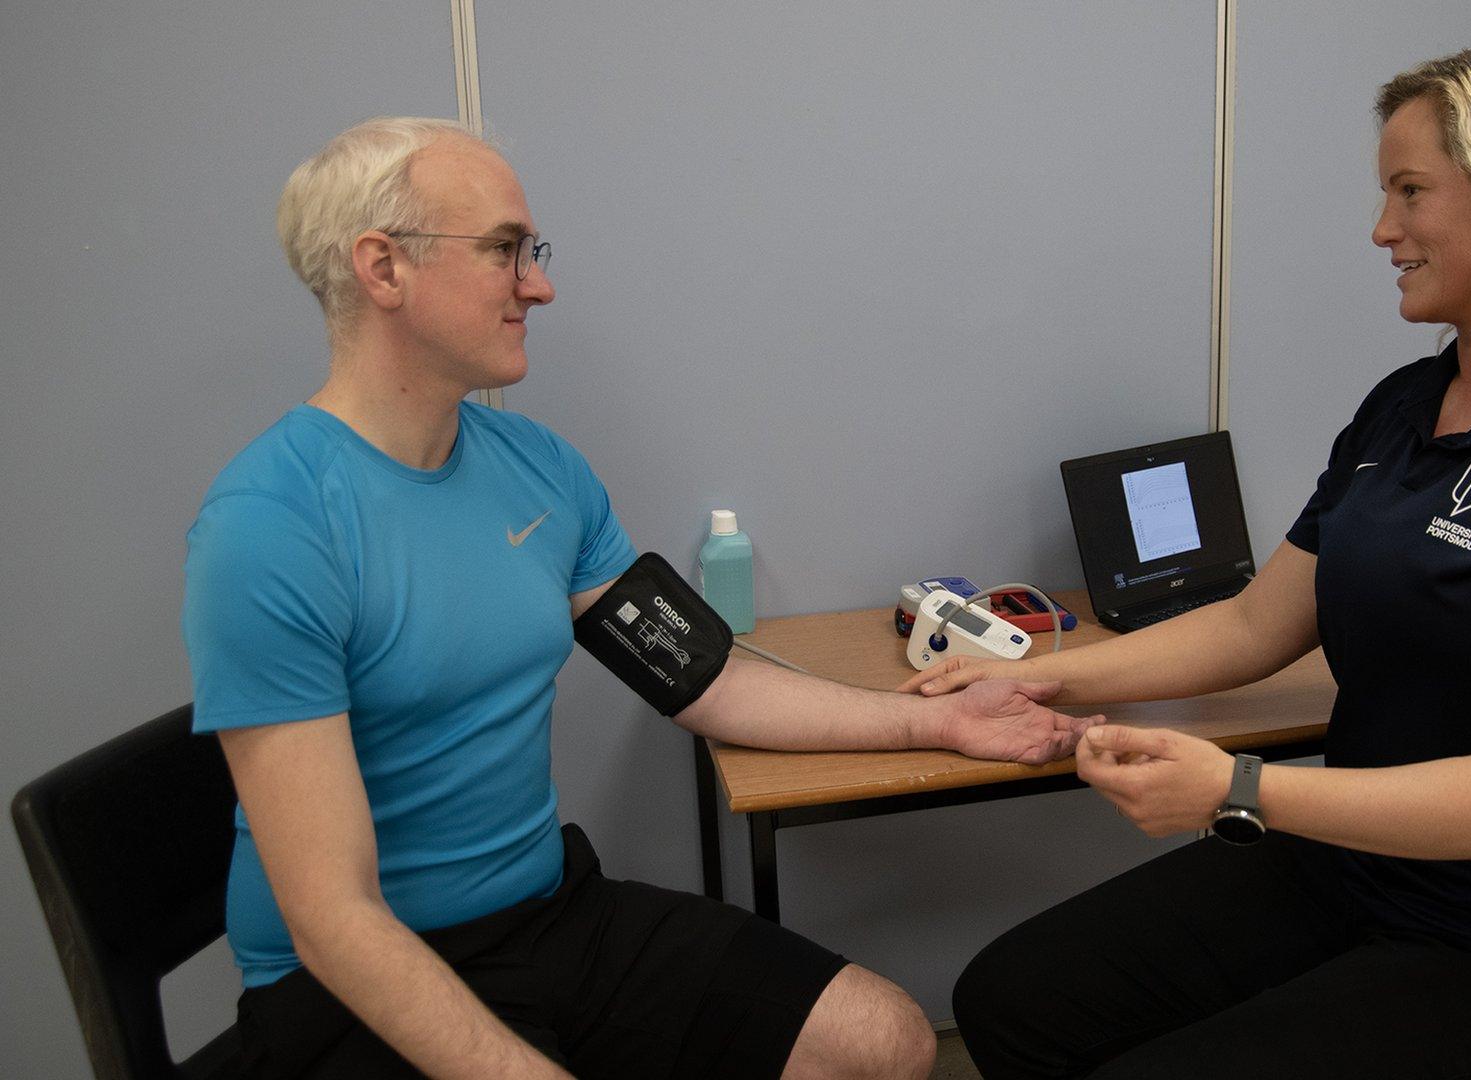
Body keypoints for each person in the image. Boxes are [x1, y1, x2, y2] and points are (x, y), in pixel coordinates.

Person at [181, 116, 1100, 1080]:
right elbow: (333, 921)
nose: (537, 284)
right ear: (382, 268)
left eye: (530, 252)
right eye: (503, 251)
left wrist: (937, 725)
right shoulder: (271, 526)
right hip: (344, 985)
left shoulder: (538, 469)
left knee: (885, 1043)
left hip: (547, 919)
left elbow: (702, 680)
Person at [902, 47, 1471, 1078]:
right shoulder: (1405, 408)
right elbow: (1255, 626)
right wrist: (1030, 674)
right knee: (1013, 1001)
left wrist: (1244, 789)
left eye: (1409, 193)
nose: (1381, 230)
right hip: (1371, 870)